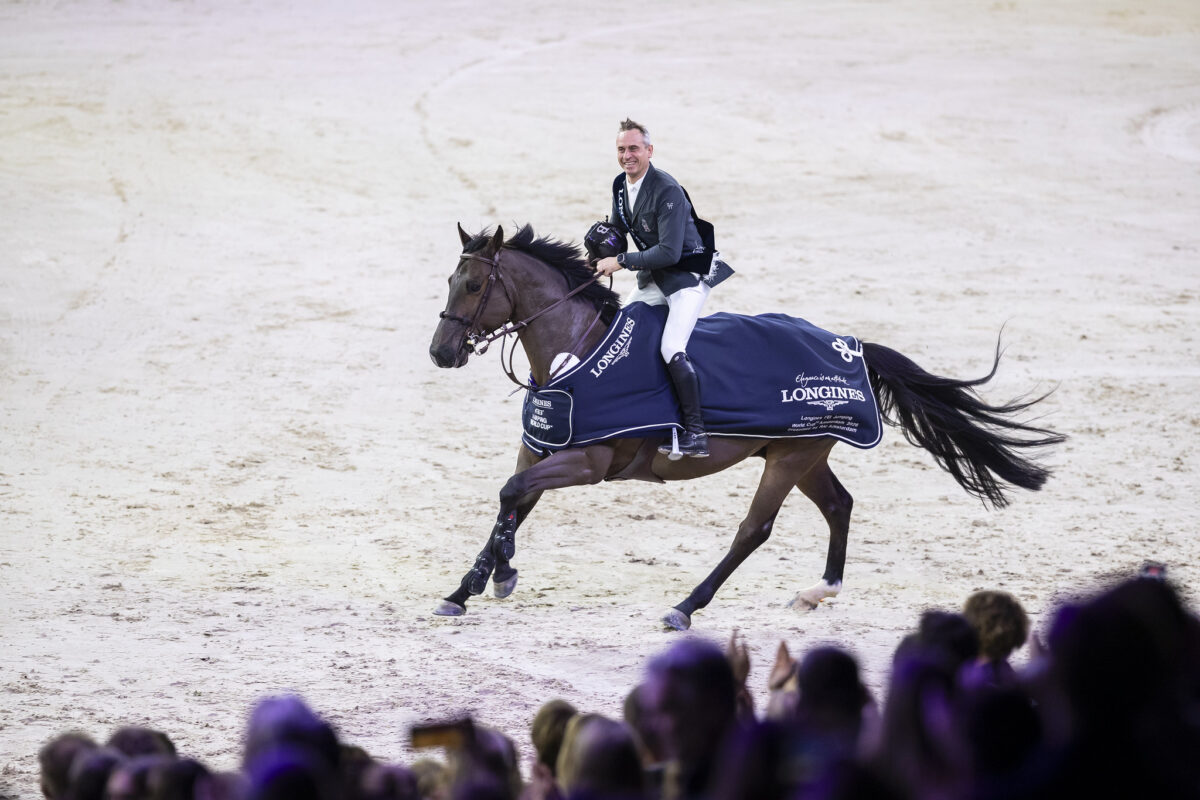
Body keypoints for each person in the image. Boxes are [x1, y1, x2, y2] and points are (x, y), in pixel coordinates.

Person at [592, 118, 733, 459]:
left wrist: (622, 261)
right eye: (622, 149)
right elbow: (616, 230)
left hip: (686, 278)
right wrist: (595, 254)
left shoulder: (667, 190)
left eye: (634, 149)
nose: (628, 155)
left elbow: (670, 252)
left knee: (671, 347)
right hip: (654, 279)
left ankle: (696, 433)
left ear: (649, 151)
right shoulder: (620, 185)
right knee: (620, 334)